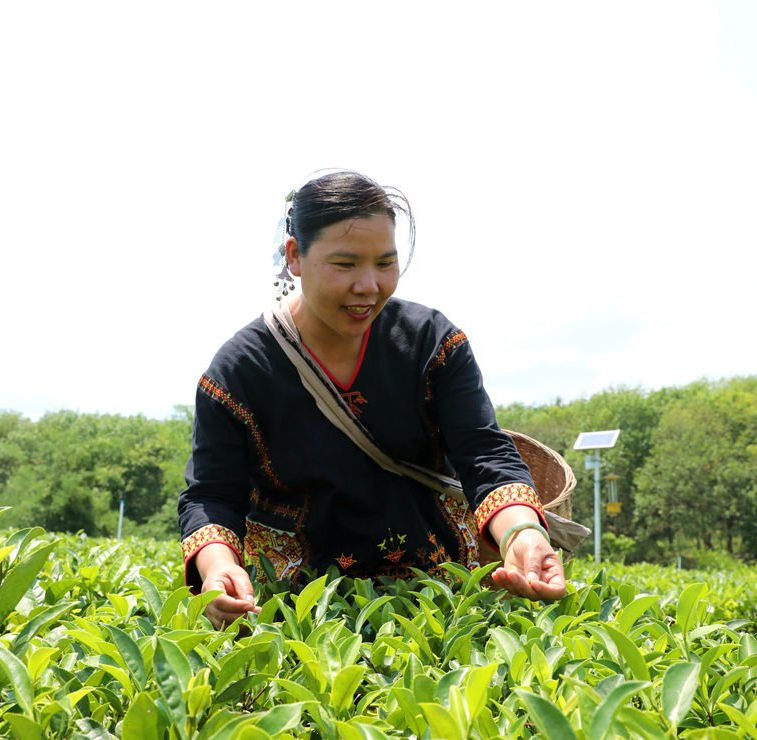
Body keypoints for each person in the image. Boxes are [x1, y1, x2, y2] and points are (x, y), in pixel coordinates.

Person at [178, 170, 566, 628]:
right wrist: (218, 567)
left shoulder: (431, 343)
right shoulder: (239, 372)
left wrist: (521, 532)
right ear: (295, 256)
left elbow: (483, 451)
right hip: (298, 607)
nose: (369, 285)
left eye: (385, 263)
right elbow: (211, 493)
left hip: (435, 596)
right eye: (345, 264)